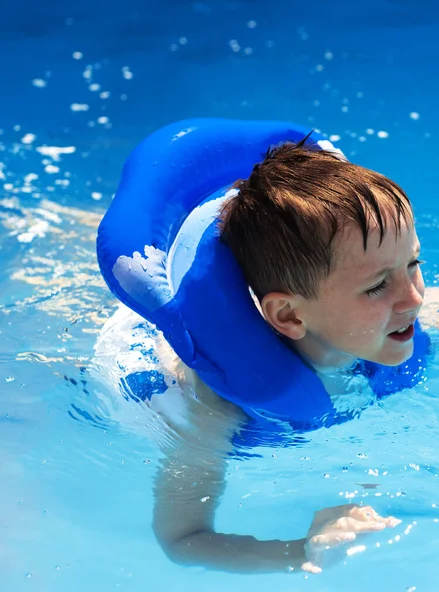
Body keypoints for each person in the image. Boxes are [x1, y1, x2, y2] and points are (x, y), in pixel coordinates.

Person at [151, 139, 421, 574]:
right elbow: (181, 539)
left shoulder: (380, 313)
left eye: (413, 264)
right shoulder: (217, 407)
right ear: (289, 314)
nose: (415, 299)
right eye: (377, 287)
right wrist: (302, 552)